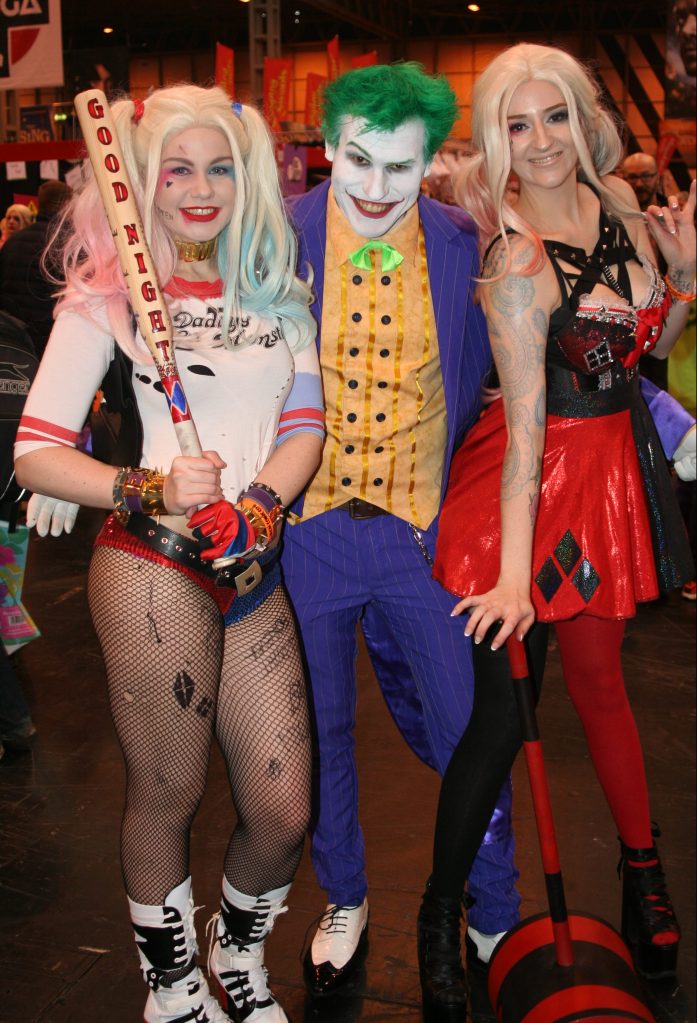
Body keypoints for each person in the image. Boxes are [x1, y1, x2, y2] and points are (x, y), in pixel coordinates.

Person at [14, 84, 325, 1023]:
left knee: (283, 809)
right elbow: (36, 450)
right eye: (177, 169)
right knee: (167, 790)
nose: (200, 188)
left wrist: (261, 504)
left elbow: (303, 425)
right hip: (152, 568)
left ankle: (236, 953)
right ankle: (172, 985)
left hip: (251, 563)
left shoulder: (278, 292)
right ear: (141, 180)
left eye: (220, 167)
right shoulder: (106, 301)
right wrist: (145, 486)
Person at [424, 41, 695, 1007]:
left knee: (601, 682)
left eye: (554, 116)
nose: (540, 141)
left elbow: (645, 350)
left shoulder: (620, 207)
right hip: (527, 494)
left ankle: (642, 872)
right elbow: (528, 429)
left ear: (584, 119)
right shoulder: (515, 257)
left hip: (612, 477)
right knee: (503, 720)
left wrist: (684, 280)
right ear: (494, 139)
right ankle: (439, 908)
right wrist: (512, 577)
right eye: (516, 123)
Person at [281, 62, 520, 1005]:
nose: (378, 187)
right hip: (306, 530)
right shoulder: (277, 235)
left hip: (425, 533)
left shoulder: (467, 242)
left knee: (470, 730)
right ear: (327, 147)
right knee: (320, 730)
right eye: (358, 161)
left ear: (432, 161)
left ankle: (491, 900)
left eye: (401, 166)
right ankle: (343, 895)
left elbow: (534, 363)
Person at [0, 180, 71, 359]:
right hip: (50, 339)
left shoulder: (12, 243)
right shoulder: (65, 243)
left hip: (14, 339)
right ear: (65, 204)